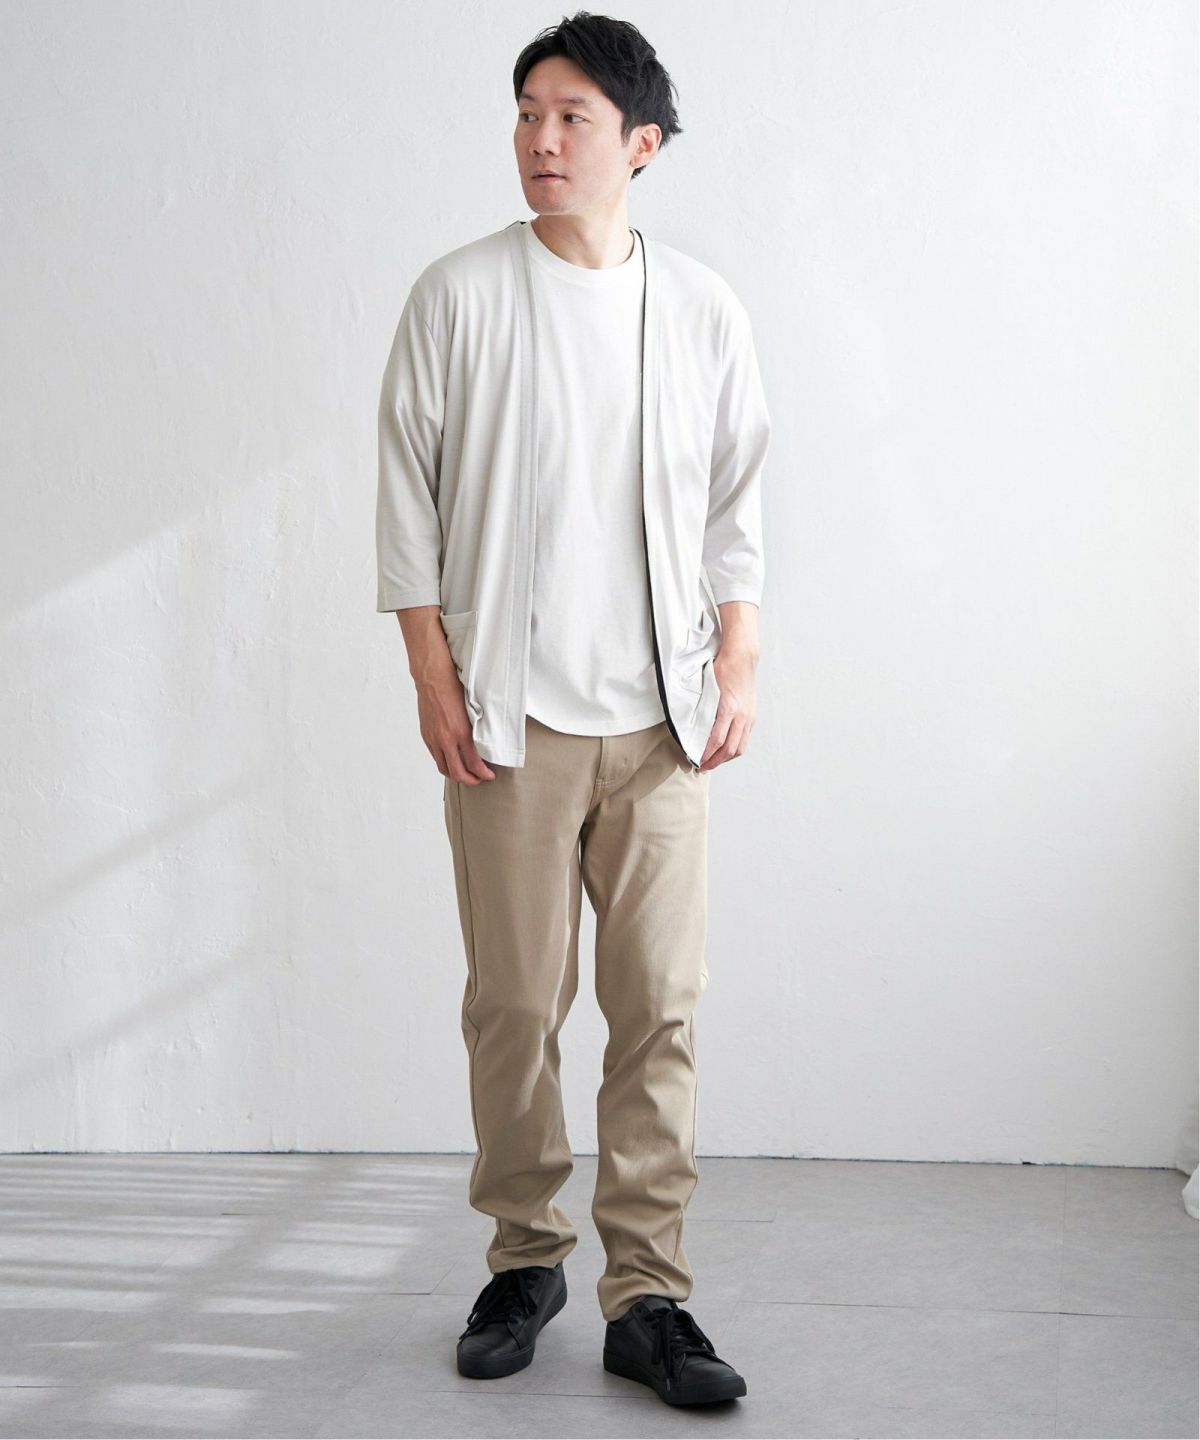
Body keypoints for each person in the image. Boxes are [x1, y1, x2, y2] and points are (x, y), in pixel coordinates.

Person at [375, 11, 770, 1409]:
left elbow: (737, 503)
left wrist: (737, 661)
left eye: (572, 117)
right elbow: (406, 495)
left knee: (659, 1008)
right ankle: (525, 1258)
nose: (540, 140)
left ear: (641, 143)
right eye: (528, 113)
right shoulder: (460, 295)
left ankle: (648, 1295)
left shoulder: (703, 308)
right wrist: (433, 676)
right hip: (509, 725)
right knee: (512, 1006)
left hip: (661, 726)